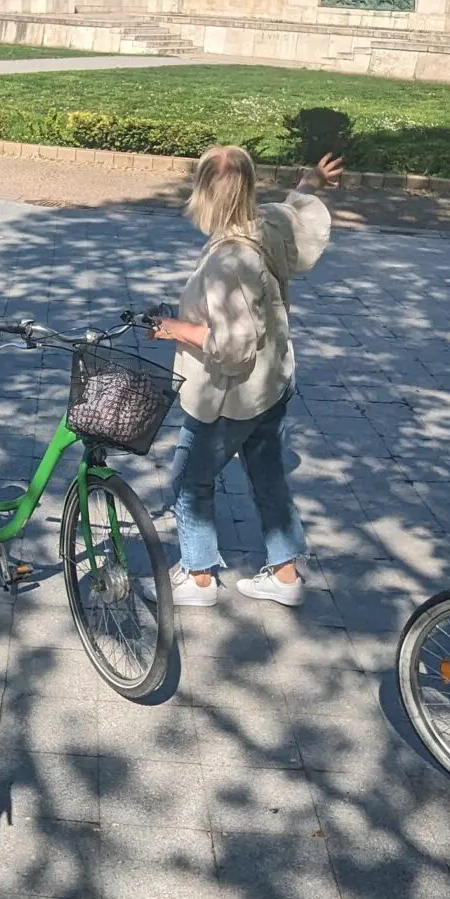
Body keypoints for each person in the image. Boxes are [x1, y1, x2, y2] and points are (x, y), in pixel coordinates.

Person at [150, 146, 342, 609]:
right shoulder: (265, 225)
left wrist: (175, 328)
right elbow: (297, 217)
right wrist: (310, 182)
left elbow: (231, 346)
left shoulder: (227, 262)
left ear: (203, 194)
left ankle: (197, 577)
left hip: (231, 397)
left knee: (190, 480)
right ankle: (285, 572)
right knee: (269, 474)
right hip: (273, 384)